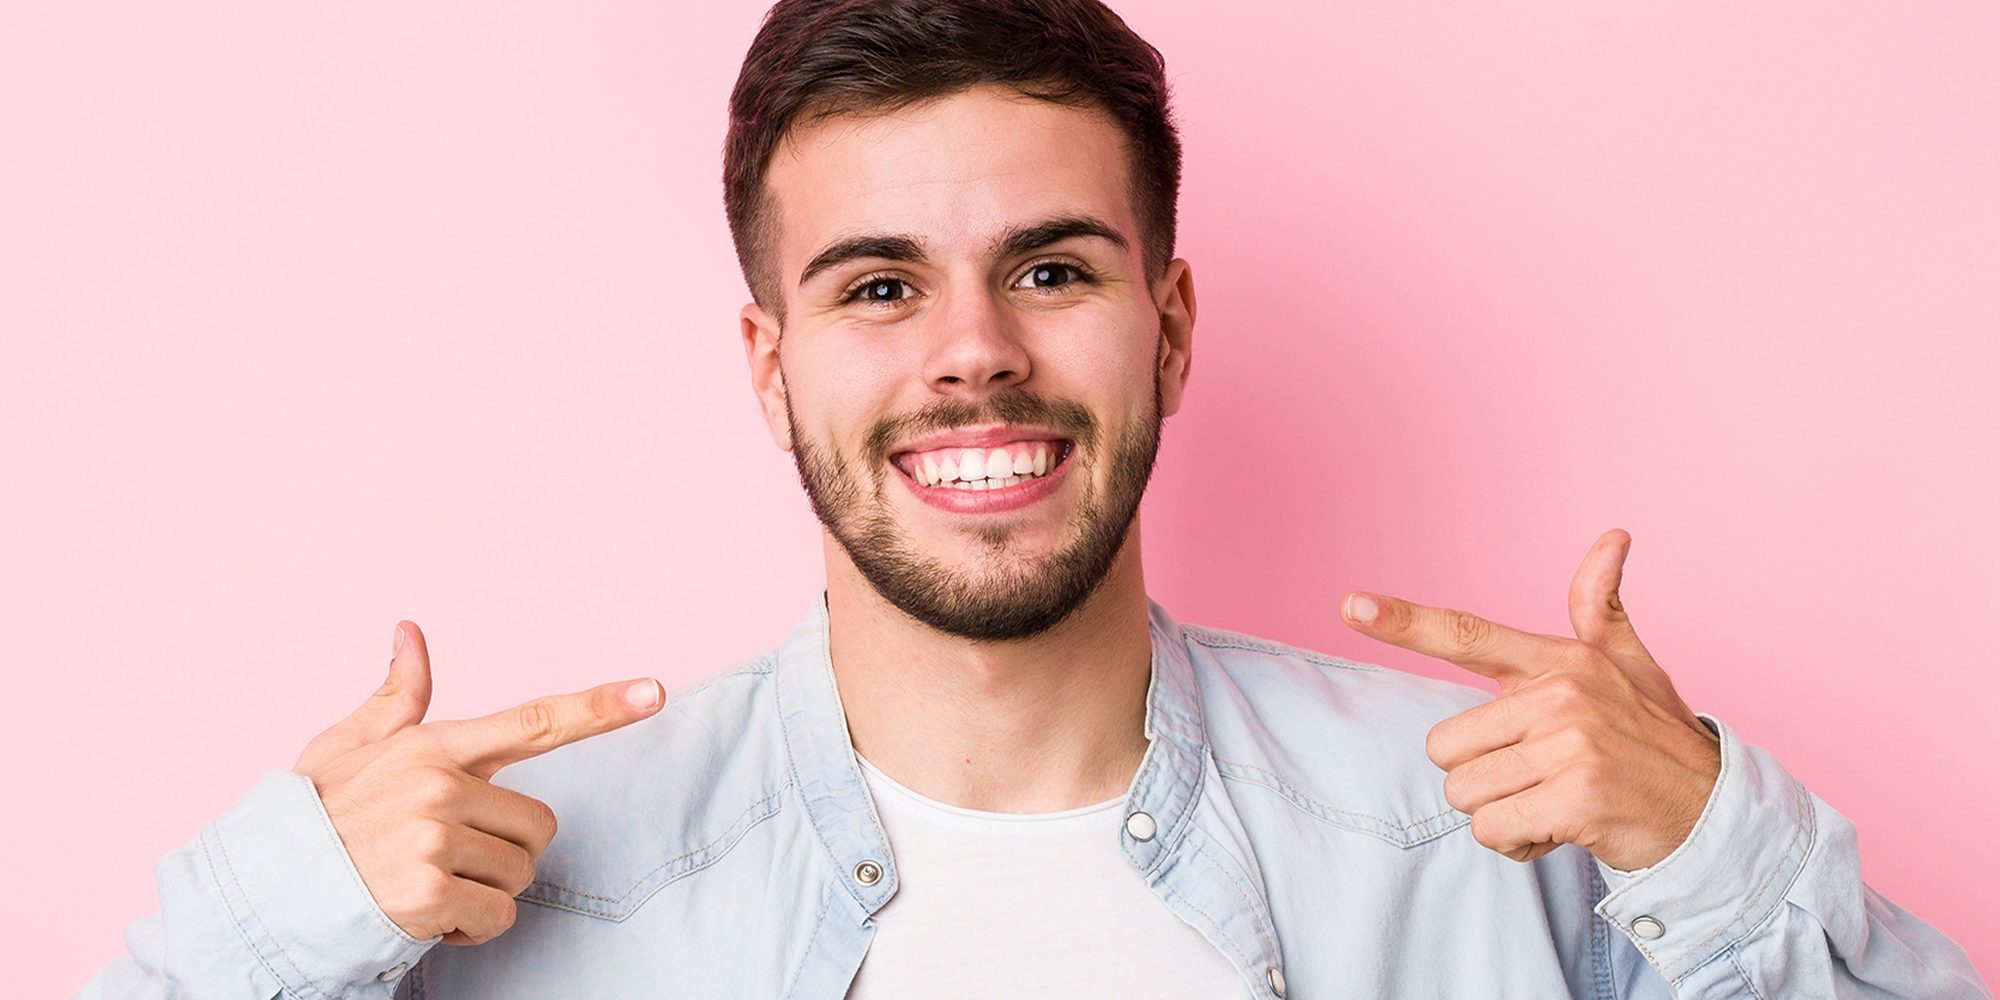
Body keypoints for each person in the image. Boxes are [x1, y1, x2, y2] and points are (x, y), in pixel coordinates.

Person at [76, 1, 1990, 997]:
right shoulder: (509, 878)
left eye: (1053, 270)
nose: (973, 353)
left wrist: (1711, 843)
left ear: (1170, 326)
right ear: (770, 366)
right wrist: (281, 927)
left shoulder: (1494, 839)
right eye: (879, 287)